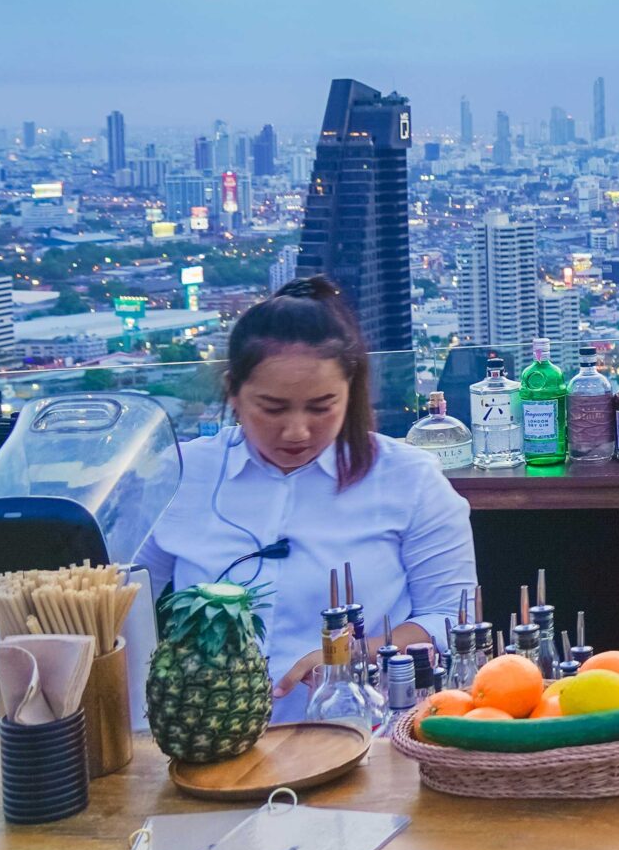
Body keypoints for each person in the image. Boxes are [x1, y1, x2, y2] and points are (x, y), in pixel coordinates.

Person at [139, 277, 479, 721]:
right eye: (273, 408)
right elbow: (121, 600)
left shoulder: (409, 479)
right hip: (206, 735)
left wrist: (351, 654)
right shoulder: (180, 475)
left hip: (358, 735)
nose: (296, 431)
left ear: (351, 393)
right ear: (233, 393)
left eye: (322, 408)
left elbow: (451, 618)